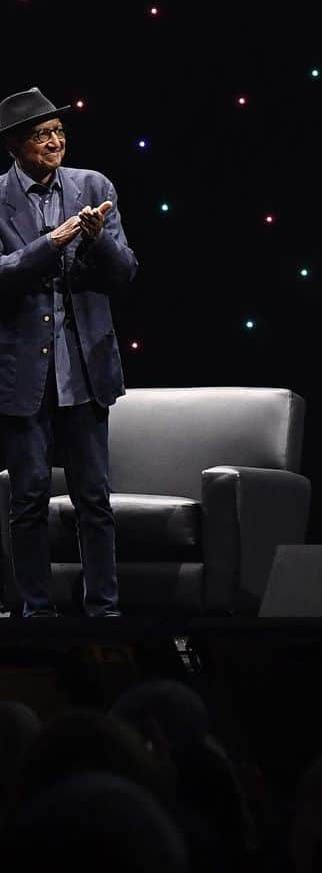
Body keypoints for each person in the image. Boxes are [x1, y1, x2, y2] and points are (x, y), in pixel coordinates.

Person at [0, 87, 137, 617]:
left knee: (94, 501)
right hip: (22, 375)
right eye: (42, 135)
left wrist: (98, 239)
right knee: (29, 499)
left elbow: (124, 271)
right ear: (15, 145)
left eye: (59, 131)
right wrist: (48, 245)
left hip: (83, 369)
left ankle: (103, 610)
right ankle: (36, 611)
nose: (55, 141)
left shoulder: (93, 186)